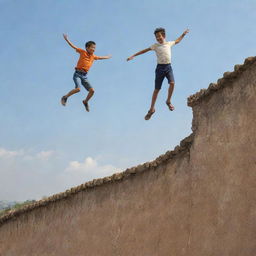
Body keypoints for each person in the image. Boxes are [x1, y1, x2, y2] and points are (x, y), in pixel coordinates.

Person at [127, 27, 189, 120]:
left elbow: (177, 41)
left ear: (164, 36)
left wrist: (183, 34)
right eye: (156, 37)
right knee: (156, 90)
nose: (158, 38)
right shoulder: (155, 46)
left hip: (168, 67)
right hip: (160, 69)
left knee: (172, 83)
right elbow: (144, 50)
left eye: (159, 36)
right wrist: (133, 55)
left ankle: (168, 101)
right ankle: (151, 109)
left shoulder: (169, 44)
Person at [61, 34, 111, 112]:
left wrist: (107, 57)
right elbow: (73, 46)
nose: (94, 49)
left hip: (84, 76)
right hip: (77, 74)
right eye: (92, 47)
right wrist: (67, 40)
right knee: (78, 89)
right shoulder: (82, 52)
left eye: (94, 48)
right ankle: (65, 97)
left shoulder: (93, 56)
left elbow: (100, 58)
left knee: (92, 91)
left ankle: (85, 101)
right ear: (87, 48)